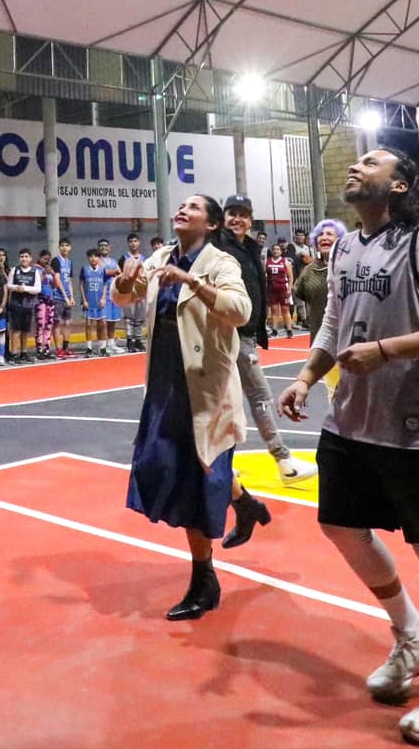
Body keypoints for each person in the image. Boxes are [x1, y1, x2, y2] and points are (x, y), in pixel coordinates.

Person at [277, 149, 419, 748]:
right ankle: (410, 633)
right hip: (350, 421)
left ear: (398, 184)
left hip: (414, 424)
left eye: (369, 161)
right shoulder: (344, 246)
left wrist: (387, 350)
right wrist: (306, 377)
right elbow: (335, 323)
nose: (354, 165)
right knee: (340, 527)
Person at [117, 194, 259, 621]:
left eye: (193, 207)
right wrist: (124, 284)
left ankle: (204, 579)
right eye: (180, 204)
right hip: (164, 383)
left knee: (196, 482)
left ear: (211, 224)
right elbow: (128, 297)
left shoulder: (221, 263)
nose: (182, 209)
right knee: (157, 467)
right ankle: (244, 501)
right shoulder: (161, 255)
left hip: (204, 390)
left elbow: (241, 310)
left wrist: (193, 282)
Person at [216, 196, 310, 486]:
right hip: (226, 334)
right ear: (223, 217)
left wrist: (260, 327)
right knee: (251, 397)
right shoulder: (216, 247)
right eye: (232, 213)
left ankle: (224, 464)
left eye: (244, 215)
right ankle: (284, 462)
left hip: (245, 333)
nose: (238, 220)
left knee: (228, 400)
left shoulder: (252, 248)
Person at [10, 249, 44, 359]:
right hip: (16, 304)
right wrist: (16, 288)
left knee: (25, 330)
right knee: (16, 330)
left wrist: (24, 288)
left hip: (28, 305)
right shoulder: (14, 270)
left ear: (30, 258)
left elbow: (38, 289)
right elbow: (9, 285)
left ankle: (23, 353)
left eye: (26, 256)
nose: (24, 259)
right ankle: (14, 353)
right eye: (22, 256)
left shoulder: (35, 272)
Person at [80, 247, 113, 356]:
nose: (93, 258)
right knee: (88, 324)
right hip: (89, 300)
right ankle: (89, 348)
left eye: (95, 256)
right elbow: (81, 285)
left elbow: (105, 284)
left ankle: (102, 348)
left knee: (102, 323)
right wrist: (84, 299)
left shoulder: (102, 270)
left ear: (99, 258)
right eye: (91, 256)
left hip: (99, 300)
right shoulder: (84, 269)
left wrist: (104, 297)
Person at [264, 243, 296, 338]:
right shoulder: (267, 261)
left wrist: (290, 288)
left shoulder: (285, 261)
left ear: (281, 251)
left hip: (283, 288)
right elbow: (264, 274)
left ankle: (289, 330)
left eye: (277, 249)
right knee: (274, 310)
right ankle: (274, 330)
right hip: (271, 288)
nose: (275, 251)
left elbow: (290, 276)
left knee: (285, 309)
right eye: (274, 249)